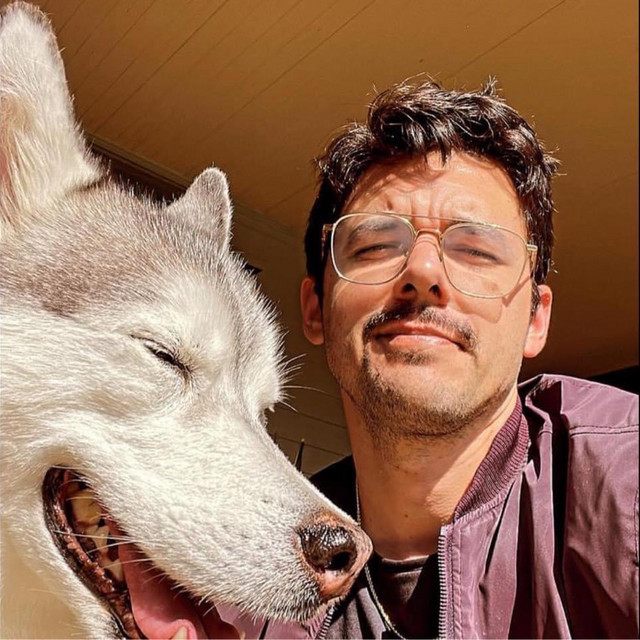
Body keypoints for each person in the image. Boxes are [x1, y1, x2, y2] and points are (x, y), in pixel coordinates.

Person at [232, 78, 638, 639]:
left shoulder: (624, 489)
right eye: (375, 245)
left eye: (477, 249)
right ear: (316, 308)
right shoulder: (243, 591)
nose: (423, 272)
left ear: (535, 320)